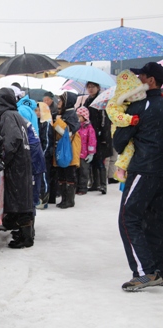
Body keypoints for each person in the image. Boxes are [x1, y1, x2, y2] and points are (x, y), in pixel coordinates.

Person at [113, 61, 163, 291]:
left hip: (145, 168)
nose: (137, 80)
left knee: (128, 218)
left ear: (151, 80)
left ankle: (144, 272)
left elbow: (119, 142)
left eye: (141, 76)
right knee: (154, 219)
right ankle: (158, 268)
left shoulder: (140, 107)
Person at [0, 87, 34, 249]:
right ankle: (23, 232)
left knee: (19, 199)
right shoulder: (16, 115)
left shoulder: (7, 116)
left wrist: (2, 158)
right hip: (22, 162)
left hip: (16, 165)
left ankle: (25, 237)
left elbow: (12, 139)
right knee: (22, 198)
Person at [105, 69, 148, 182]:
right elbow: (115, 115)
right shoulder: (115, 102)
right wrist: (129, 119)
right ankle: (121, 169)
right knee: (128, 149)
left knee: (132, 147)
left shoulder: (130, 100)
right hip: (120, 127)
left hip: (128, 127)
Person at [53, 91, 81, 209]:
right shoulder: (64, 113)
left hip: (69, 149)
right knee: (62, 175)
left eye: (61, 100)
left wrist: (56, 121)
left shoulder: (71, 115)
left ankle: (69, 200)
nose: (58, 102)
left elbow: (67, 132)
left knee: (69, 174)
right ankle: (65, 199)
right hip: (64, 148)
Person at [84, 81, 112, 195]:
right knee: (93, 160)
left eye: (92, 87)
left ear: (98, 87)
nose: (90, 89)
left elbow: (105, 119)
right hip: (90, 134)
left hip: (100, 136)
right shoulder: (87, 101)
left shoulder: (102, 100)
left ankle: (102, 184)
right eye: (88, 87)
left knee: (100, 160)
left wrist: (103, 133)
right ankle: (94, 183)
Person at [35, 102, 54, 209]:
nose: (36, 112)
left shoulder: (46, 124)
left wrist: (42, 154)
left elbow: (47, 141)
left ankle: (44, 199)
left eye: (38, 110)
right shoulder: (38, 122)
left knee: (44, 177)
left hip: (44, 155)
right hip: (38, 155)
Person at [75, 106, 97, 195]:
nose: (78, 118)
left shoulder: (89, 128)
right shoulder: (76, 126)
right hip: (76, 152)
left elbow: (92, 141)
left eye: (79, 116)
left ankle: (83, 188)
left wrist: (91, 153)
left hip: (84, 154)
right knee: (76, 171)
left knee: (83, 171)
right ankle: (76, 187)